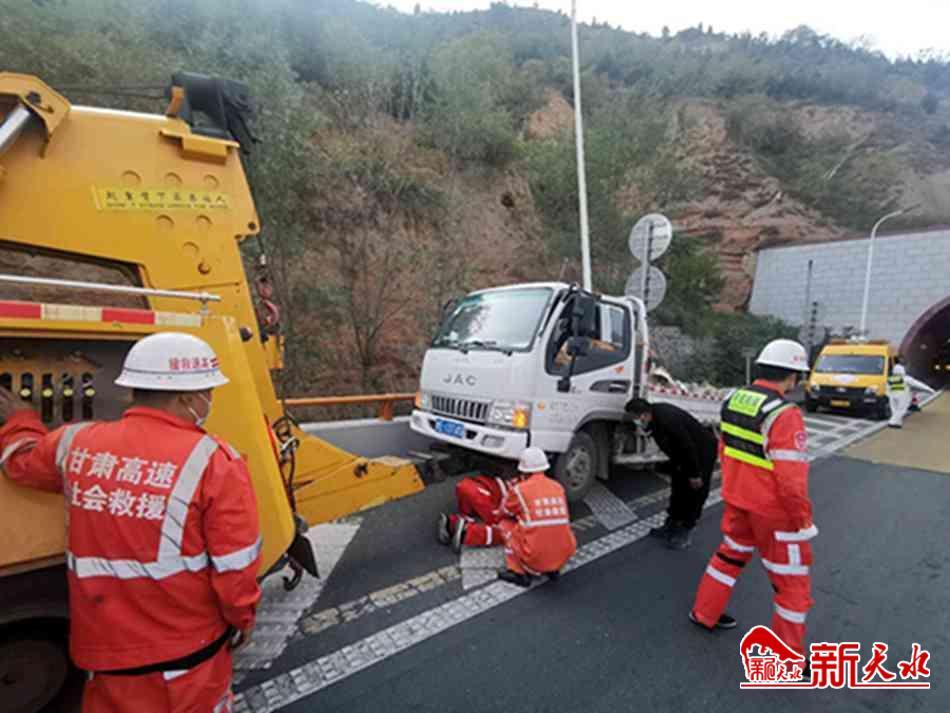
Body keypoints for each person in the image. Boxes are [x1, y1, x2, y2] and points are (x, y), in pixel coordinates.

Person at [0, 332, 262, 713]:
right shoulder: (214, 462)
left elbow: (20, 461)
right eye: (207, 391)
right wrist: (244, 619)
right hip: (185, 658)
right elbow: (235, 568)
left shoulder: (76, 443)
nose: (209, 400)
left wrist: (21, 419)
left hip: (103, 654)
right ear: (186, 398)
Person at [690, 339, 814, 657]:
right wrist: (802, 520)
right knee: (791, 585)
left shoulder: (733, 399)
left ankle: (704, 613)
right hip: (774, 513)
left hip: (737, 499)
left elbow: (725, 449)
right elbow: (791, 479)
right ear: (793, 376)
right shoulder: (784, 413)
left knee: (728, 558)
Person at [440, 447, 577, 587]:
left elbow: (502, 514)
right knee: (548, 527)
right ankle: (553, 570)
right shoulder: (558, 487)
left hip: (534, 558)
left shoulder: (520, 490)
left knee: (504, 525)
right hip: (563, 556)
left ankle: (518, 573)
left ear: (523, 470)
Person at [625, 398, 718, 550]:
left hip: (701, 451)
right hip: (682, 453)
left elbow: (687, 446)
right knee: (678, 486)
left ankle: (687, 528)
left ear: (644, 415)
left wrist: (694, 474)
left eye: (634, 417)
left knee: (695, 491)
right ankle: (672, 523)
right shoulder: (653, 419)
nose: (635, 421)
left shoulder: (667, 419)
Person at [888, 356, 935, 428]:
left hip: (892, 397)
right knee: (901, 410)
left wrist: (888, 395)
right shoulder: (906, 379)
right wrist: (930, 390)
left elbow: (887, 388)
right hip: (902, 397)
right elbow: (918, 384)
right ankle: (892, 423)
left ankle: (897, 423)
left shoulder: (890, 379)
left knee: (895, 410)